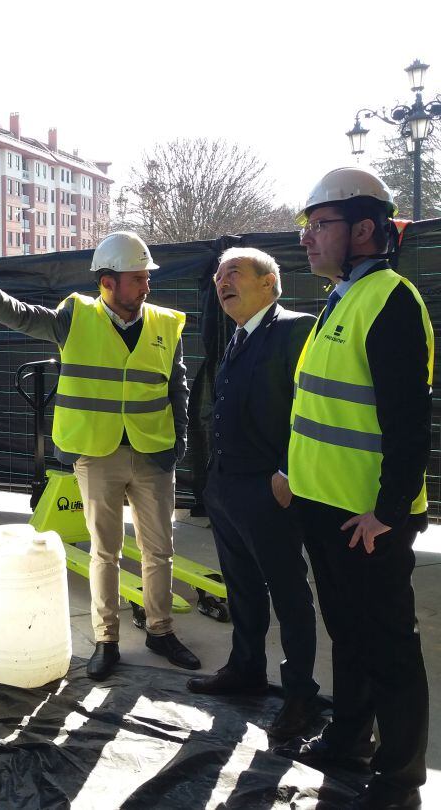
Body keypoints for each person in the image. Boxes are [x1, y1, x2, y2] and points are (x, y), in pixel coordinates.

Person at [0, 232, 200, 682]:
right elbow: (22, 317)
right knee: (105, 550)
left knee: (160, 551)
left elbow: (177, 388)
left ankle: (161, 630)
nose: (146, 287)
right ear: (108, 282)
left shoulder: (165, 323)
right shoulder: (73, 316)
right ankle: (107, 640)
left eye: (146, 278)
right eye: (138, 279)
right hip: (97, 453)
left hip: (153, 453)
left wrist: (177, 444)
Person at [275, 167, 430, 810]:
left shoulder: (390, 299)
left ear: (364, 229)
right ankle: (348, 739)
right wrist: (293, 475)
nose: (308, 238)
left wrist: (387, 512)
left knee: (388, 647)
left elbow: (409, 423)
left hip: (366, 521)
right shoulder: (341, 296)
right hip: (324, 507)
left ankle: (397, 780)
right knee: (349, 634)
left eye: (321, 225)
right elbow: (324, 408)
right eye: (306, 226)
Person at [185, 247, 319, 740]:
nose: (222, 281)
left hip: (270, 491)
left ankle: (300, 694)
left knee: (288, 593)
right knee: (241, 588)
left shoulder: (294, 329)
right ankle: (246, 669)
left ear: (270, 283)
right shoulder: (237, 336)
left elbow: (313, 405)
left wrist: (287, 473)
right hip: (227, 488)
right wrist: (214, 483)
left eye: (234, 272)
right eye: (219, 274)